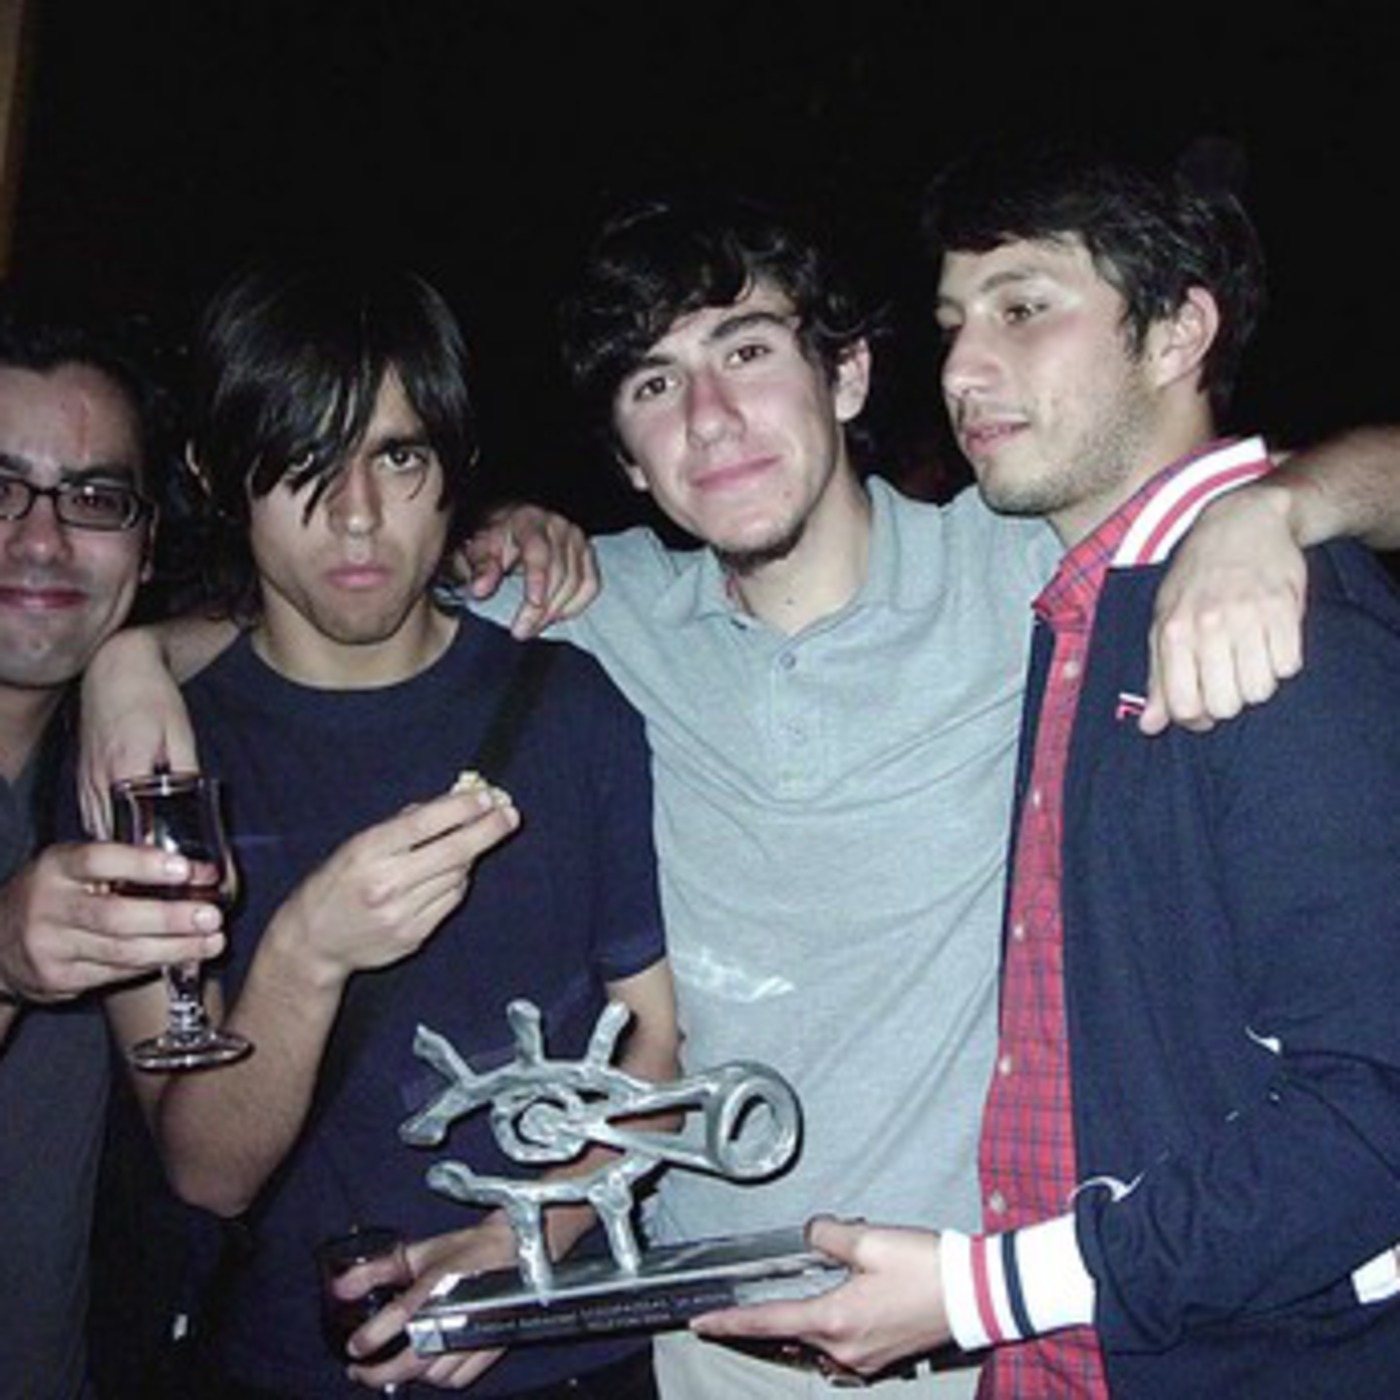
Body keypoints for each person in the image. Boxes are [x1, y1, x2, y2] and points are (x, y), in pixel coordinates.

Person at [79, 193, 1400, 1400]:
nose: (709, 417)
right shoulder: (591, 618)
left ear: (848, 375)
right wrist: (130, 658)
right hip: (694, 1334)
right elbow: (345, 602)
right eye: (655, 384)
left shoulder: (1018, 576)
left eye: (748, 350)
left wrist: (1277, 508)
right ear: (628, 460)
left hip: (969, 1325)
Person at [693, 140, 1400, 1397]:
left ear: (1175, 331)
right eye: (952, 323)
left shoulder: (1277, 631)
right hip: (1071, 1357)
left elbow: (1375, 1118)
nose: (962, 368)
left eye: (1022, 308)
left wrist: (982, 1292)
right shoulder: (1076, 608)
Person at [100, 262, 676, 1399]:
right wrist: (307, 952)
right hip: (293, 1362)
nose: (357, 513)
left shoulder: (570, 707)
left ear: (457, 467)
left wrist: (528, 1231)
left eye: (399, 456)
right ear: (215, 475)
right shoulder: (158, 758)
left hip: (570, 1355)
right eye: (301, 461)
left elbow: (654, 1038)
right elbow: (207, 1170)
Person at [0, 290, 230, 1400]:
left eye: (94, 499)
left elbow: (329, 603)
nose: (40, 538)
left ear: (145, 550)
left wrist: (137, 654)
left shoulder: (88, 774)